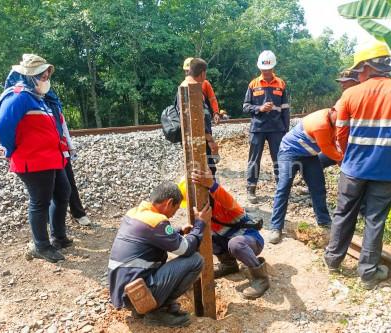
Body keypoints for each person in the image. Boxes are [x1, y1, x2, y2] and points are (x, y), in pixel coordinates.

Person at [324, 41, 391, 289]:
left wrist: (348, 157)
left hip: (353, 169)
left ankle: (333, 260)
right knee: (375, 220)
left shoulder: (350, 94)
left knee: (343, 214)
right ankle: (368, 273)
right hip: (386, 171)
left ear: (367, 67)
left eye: (358, 70)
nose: (357, 75)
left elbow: (340, 134)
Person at [0, 54, 72, 263]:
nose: (46, 77)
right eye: (43, 74)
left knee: (64, 192)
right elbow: (3, 126)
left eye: (47, 74)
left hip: (51, 158)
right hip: (34, 160)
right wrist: (12, 150)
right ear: (31, 76)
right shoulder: (18, 96)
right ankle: (41, 246)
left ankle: (58, 236)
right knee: (40, 202)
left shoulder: (36, 98)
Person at [108, 182, 210, 328]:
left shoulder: (135, 213)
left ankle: (145, 307)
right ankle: (155, 312)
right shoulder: (157, 221)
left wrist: (178, 230)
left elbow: (150, 235)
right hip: (135, 293)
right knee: (195, 260)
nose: (173, 214)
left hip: (124, 292)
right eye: (175, 209)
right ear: (169, 203)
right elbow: (185, 249)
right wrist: (200, 225)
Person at [187, 169, 269, 299]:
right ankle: (229, 264)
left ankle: (261, 278)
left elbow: (223, 195)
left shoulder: (226, 205)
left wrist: (211, 184)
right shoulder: (203, 214)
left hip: (251, 241)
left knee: (235, 244)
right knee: (204, 237)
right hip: (228, 242)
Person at [268, 108, 343, 244]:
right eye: (340, 118)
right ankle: (275, 227)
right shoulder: (321, 124)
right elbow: (327, 150)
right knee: (283, 188)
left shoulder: (337, 122)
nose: (341, 121)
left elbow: (336, 142)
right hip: (289, 152)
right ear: (333, 110)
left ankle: (324, 221)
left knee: (318, 187)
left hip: (309, 155)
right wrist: (343, 162)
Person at [243, 50, 290, 204]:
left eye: (268, 70)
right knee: (254, 160)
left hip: (277, 129)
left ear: (273, 68)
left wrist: (286, 130)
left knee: (279, 159)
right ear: (260, 69)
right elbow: (245, 107)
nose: (266, 72)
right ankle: (251, 188)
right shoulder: (253, 84)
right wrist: (260, 108)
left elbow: (285, 109)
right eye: (264, 70)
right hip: (258, 128)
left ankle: (281, 188)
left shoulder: (281, 84)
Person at [46, 93, 93, 227]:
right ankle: (49, 222)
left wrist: (71, 147)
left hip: (61, 150)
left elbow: (63, 125)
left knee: (69, 184)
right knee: (46, 189)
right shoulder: (29, 100)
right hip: (44, 153)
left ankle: (78, 213)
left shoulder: (53, 101)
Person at [179, 58, 219, 176]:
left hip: (193, 140)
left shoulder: (183, 86)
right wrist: (210, 140)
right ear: (202, 73)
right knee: (208, 172)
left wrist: (216, 112)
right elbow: (198, 121)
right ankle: (211, 195)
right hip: (200, 141)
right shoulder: (194, 89)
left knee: (197, 171)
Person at [183, 57, 222, 124]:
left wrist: (216, 113)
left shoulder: (205, 84)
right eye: (186, 71)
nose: (187, 73)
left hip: (204, 115)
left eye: (188, 71)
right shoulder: (184, 86)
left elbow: (212, 99)